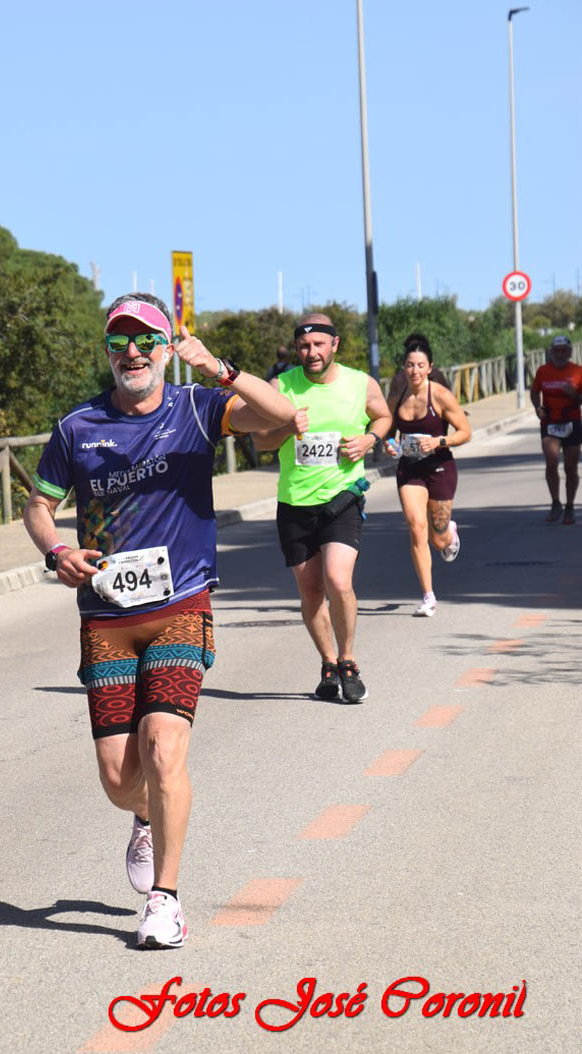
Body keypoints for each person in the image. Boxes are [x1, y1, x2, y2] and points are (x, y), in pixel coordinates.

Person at [23, 292, 294, 949]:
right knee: (120, 779)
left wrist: (220, 369)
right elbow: (38, 505)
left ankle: (165, 901)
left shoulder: (196, 408)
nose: (133, 353)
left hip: (181, 605)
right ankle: (142, 816)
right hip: (107, 617)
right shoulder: (78, 427)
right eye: (120, 342)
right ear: (108, 352)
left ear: (167, 349)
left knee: (163, 748)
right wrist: (56, 551)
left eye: (146, 340)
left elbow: (282, 415)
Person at [253, 313, 392, 703]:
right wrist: (287, 429)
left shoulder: (360, 383)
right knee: (311, 590)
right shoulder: (281, 386)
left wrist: (369, 440)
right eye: (303, 346)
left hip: (342, 496)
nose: (311, 352)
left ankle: (348, 662)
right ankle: (328, 664)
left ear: (335, 344)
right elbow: (260, 441)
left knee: (338, 580)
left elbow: (384, 416)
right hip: (295, 502)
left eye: (318, 344)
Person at [384, 333, 471, 618]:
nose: (415, 371)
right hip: (409, 469)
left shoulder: (440, 395)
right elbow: (388, 431)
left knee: (438, 541)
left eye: (421, 365)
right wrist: (389, 444)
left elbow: (465, 432)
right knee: (416, 527)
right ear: (404, 367)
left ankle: (449, 533)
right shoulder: (398, 395)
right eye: (410, 365)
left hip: (440, 468)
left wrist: (439, 441)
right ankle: (428, 596)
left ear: (430, 367)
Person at [530, 334, 582, 525]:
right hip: (550, 421)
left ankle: (570, 506)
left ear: (569, 352)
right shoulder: (543, 371)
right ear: (551, 352)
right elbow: (534, 391)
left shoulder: (578, 371)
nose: (560, 354)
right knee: (551, 462)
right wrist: (537, 407)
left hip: (572, 421)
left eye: (564, 351)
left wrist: (574, 395)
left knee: (570, 467)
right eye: (557, 351)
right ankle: (555, 503)